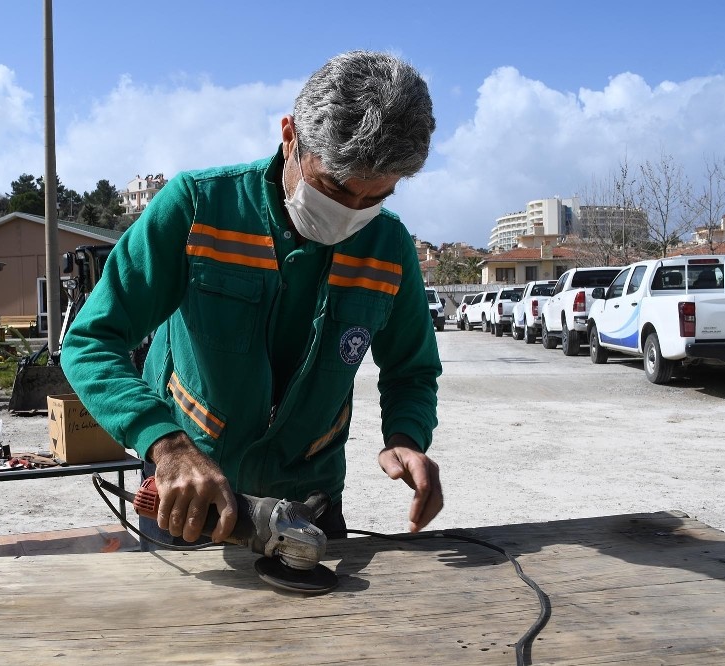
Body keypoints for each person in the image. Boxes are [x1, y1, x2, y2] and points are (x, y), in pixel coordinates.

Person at [62, 50, 443, 546]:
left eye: (374, 200)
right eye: (333, 188)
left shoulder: (388, 248)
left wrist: (407, 438)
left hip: (310, 501)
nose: (350, 214)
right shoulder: (198, 209)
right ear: (290, 138)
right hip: (191, 492)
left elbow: (411, 371)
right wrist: (166, 443)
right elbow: (91, 340)